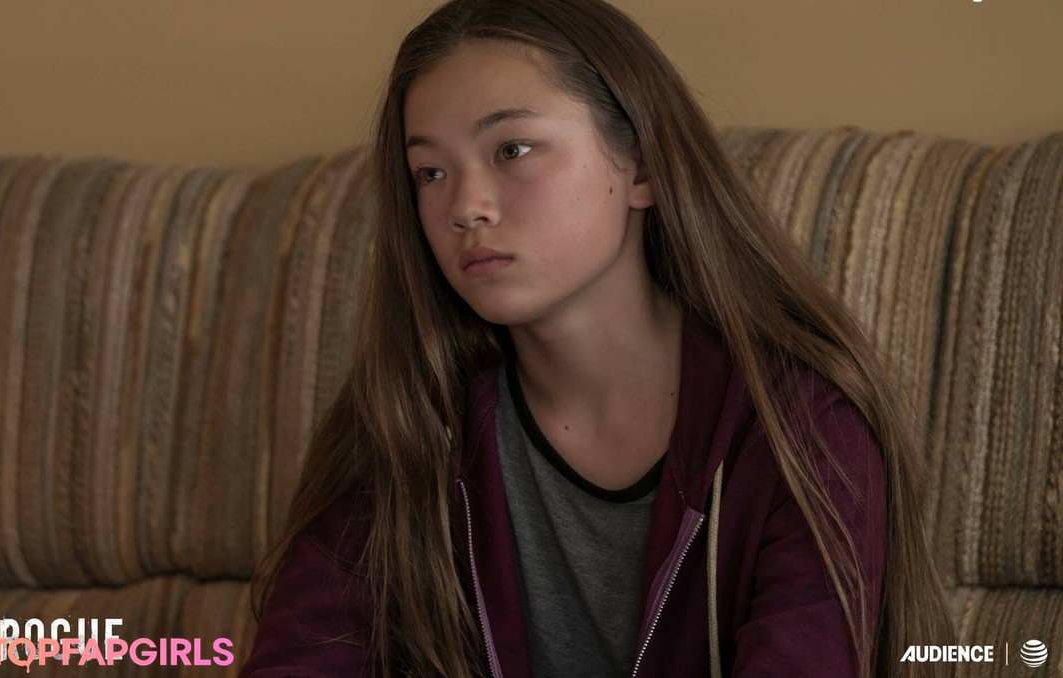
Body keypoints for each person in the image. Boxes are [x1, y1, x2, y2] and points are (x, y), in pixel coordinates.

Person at [238, 0, 956, 675]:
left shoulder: (800, 424)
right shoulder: (404, 418)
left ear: (642, 167)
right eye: (429, 171)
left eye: (513, 148)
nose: (465, 207)